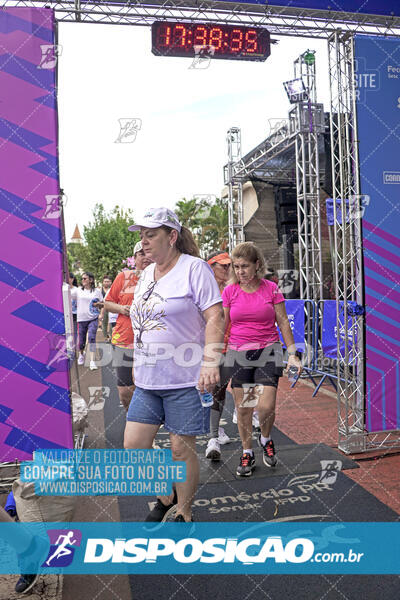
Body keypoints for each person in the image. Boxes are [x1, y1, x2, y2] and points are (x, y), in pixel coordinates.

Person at [124, 207, 224, 523]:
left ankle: (184, 511)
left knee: (181, 451)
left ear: (172, 236)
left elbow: (215, 316)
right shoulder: (144, 276)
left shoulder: (194, 269)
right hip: (148, 381)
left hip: (186, 378)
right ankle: (167, 496)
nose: (144, 242)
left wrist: (210, 362)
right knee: (134, 447)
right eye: (142, 236)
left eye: (150, 234)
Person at [222, 242, 302, 477]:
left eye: (244, 266)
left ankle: (265, 438)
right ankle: (247, 451)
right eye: (236, 267)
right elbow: (223, 325)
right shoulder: (230, 291)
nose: (240, 272)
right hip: (239, 353)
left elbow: (284, 322)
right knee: (245, 407)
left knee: (266, 406)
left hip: (268, 351)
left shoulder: (271, 289)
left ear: (257, 265)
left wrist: (293, 354)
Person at [104, 241, 153, 410]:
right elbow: (107, 303)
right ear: (135, 258)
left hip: (152, 342)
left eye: (149, 252)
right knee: (125, 390)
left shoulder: (162, 278)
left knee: (148, 389)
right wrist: (122, 309)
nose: (146, 257)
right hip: (124, 340)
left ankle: (146, 425)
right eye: (141, 254)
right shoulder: (123, 277)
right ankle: (132, 417)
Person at [204, 251, 232, 461]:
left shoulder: (231, 289)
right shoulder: (203, 289)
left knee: (220, 391)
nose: (228, 269)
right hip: (204, 349)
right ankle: (212, 433)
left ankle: (213, 435)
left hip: (230, 348)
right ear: (211, 266)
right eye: (223, 266)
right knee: (204, 391)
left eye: (229, 266)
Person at [71, 272, 103, 370]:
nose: (83, 280)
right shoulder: (78, 291)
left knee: (92, 338)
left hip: (93, 318)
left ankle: (92, 361)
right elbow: (67, 294)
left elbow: (102, 303)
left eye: (85, 278)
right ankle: (81, 353)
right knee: (81, 342)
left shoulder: (97, 291)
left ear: (91, 280)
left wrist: (101, 314)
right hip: (81, 319)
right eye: (82, 278)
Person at [99, 275, 113, 342]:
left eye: (108, 281)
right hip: (103, 308)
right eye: (105, 281)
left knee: (111, 323)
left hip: (111, 308)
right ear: (103, 282)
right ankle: (105, 337)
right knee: (104, 323)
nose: (106, 283)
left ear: (111, 282)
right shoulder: (100, 290)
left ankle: (111, 336)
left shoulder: (113, 289)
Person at [68, 273, 78, 348]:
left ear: (72, 279)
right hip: (66, 312)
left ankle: (74, 346)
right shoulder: (62, 288)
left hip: (74, 313)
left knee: (74, 330)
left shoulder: (76, 290)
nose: (69, 280)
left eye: (70, 278)